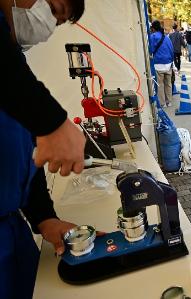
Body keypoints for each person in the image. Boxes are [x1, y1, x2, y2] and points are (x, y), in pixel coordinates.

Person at [0, 0, 88, 297]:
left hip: (13, 233)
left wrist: (44, 217)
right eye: (52, 7)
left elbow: (28, 151)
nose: (48, 24)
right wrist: (54, 123)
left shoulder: (16, 70)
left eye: (58, 21)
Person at [150, 20, 175, 108]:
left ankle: (162, 103)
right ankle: (169, 102)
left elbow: (151, 50)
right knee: (168, 84)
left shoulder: (152, 36)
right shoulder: (166, 37)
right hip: (168, 63)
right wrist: (172, 62)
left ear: (152, 28)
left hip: (158, 64)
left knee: (160, 84)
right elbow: (172, 50)